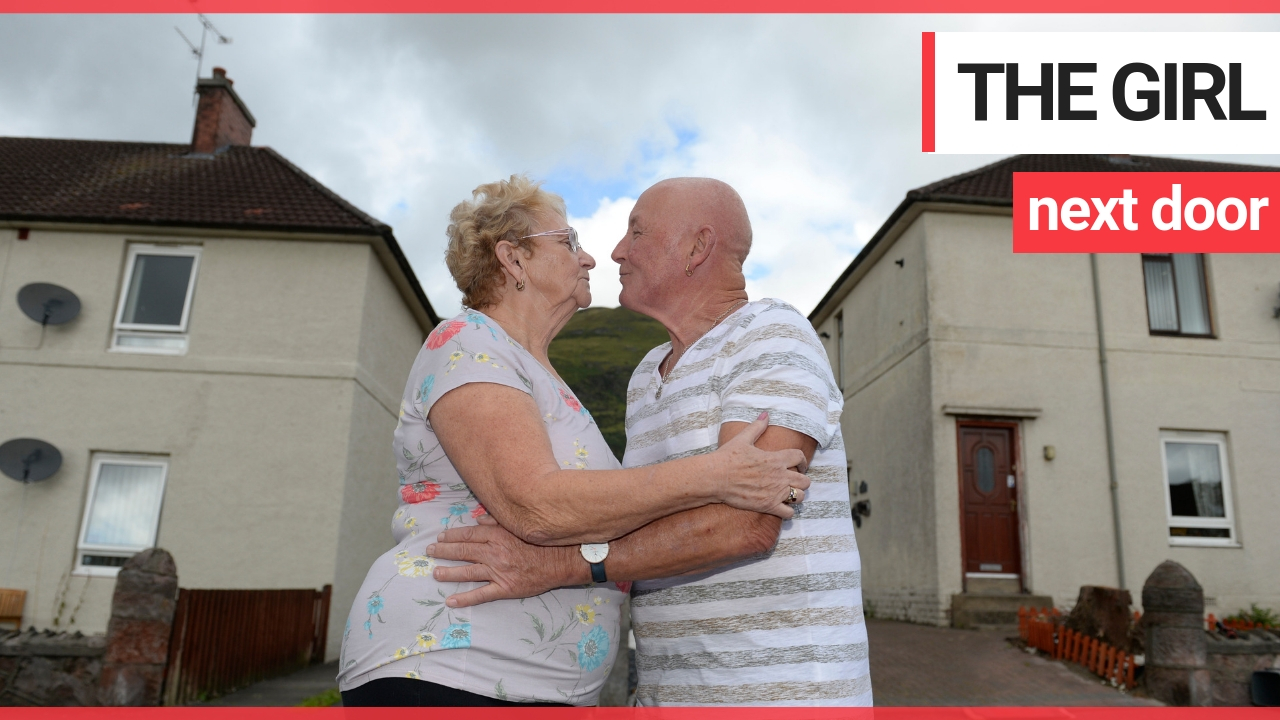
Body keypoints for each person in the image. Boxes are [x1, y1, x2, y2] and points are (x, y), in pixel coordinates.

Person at [335, 175, 809, 707]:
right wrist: (714, 474)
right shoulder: (468, 343)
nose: (593, 259)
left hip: (523, 683)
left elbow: (650, 516)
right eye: (569, 242)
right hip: (453, 665)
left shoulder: (537, 375)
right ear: (513, 260)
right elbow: (533, 504)